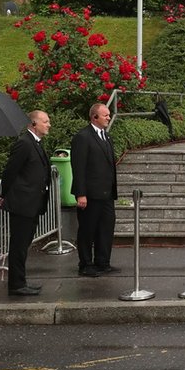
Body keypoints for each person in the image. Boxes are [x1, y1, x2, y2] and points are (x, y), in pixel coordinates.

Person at [0, 109, 51, 297]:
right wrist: (4, 194)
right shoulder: (24, 143)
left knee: (23, 244)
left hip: (32, 203)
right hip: (23, 203)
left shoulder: (35, 143)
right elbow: (10, 171)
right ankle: (16, 284)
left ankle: (21, 281)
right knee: (18, 245)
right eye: (45, 121)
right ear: (33, 124)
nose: (49, 125)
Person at [70, 102, 118, 278]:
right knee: (87, 229)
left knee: (106, 228)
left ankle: (103, 262)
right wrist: (80, 193)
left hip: (106, 194)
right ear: (94, 117)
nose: (108, 117)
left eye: (108, 114)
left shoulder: (106, 136)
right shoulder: (83, 137)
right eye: (105, 115)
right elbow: (79, 167)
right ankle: (85, 264)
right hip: (90, 194)